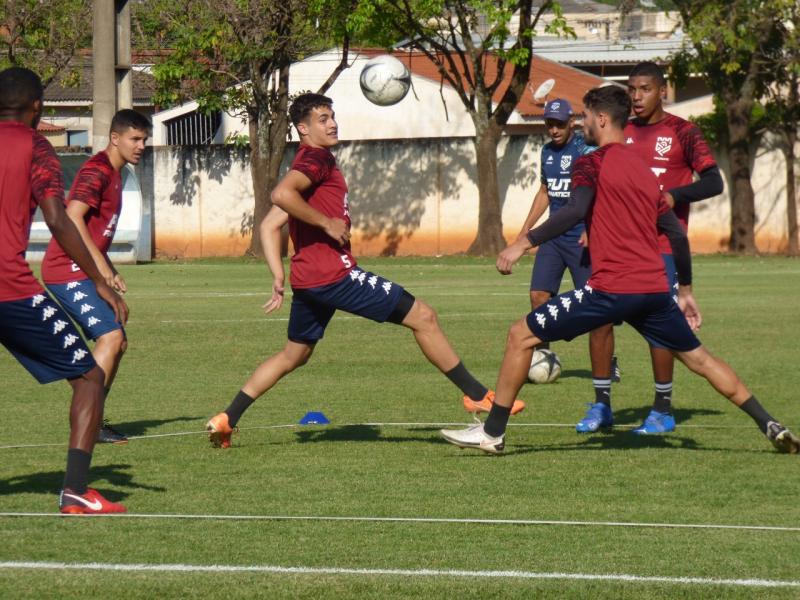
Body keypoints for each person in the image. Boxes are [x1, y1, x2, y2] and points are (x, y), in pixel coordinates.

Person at [440, 84, 799, 455]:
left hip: (612, 288)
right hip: (654, 291)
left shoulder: (590, 163)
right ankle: (769, 423)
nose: (580, 124)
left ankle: (492, 432)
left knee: (520, 335)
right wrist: (685, 290)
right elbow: (675, 232)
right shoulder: (645, 172)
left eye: (584, 116)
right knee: (700, 359)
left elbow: (575, 210)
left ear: (601, 118)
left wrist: (522, 242)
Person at [205, 92, 523, 448]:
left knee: (293, 355)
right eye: (322, 119)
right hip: (335, 276)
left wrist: (278, 276)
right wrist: (327, 223)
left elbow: (268, 226)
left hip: (309, 280)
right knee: (424, 316)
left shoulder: (311, 165)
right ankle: (476, 394)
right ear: (303, 128)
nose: (332, 123)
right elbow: (280, 195)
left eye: (332, 116)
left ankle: (227, 417)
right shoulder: (316, 160)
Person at [0, 67, 130, 512]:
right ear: (36, 107)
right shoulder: (34, 145)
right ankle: (76, 490)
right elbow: (58, 218)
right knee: (90, 376)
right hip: (9, 289)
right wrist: (99, 278)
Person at [579, 62, 725, 436]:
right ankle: (601, 404)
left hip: (660, 246)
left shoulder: (682, 132)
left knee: (659, 330)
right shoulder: (614, 130)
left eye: (644, 89)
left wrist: (672, 195)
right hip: (612, 245)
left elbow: (713, 182)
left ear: (662, 91)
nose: (636, 96)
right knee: (598, 320)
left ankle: (661, 409)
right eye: (631, 89)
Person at [42, 109, 151, 445]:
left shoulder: (117, 173)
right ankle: (89, 421)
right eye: (135, 139)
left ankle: (94, 418)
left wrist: (109, 269)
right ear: (114, 138)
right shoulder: (97, 170)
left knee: (118, 341)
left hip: (83, 268)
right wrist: (102, 271)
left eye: (145, 139)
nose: (141, 145)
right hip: (66, 269)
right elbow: (72, 219)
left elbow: (93, 230)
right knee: (111, 339)